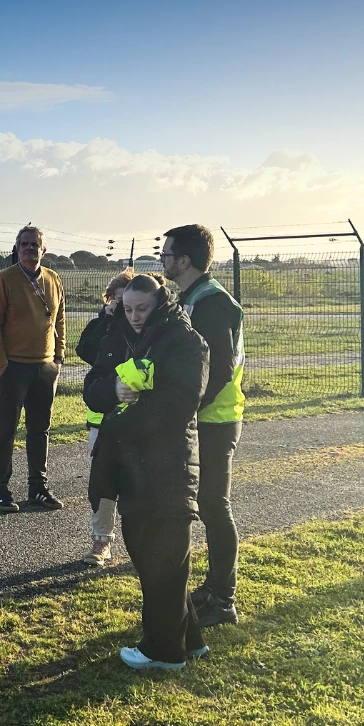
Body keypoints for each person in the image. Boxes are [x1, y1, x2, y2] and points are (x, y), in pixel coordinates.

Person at [84, 273, 210, 669]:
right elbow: (91, 386)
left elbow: (180, 405)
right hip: (127, 463)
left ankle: (163, 651)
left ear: (161, 304)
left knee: (163, 558)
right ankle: (190, 640)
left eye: (143, 309)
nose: (135, 316)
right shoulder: (118, 335)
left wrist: (123, 419)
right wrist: (114, 393)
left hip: (167, 466)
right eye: (128, 308)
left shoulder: (185, 341)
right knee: (151, 554)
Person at [160, 224, 246, 628]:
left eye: (167, 254)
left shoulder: (212, 302)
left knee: (215, 506)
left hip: (215, 420)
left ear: (184, 261)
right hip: (204, 418)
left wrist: (188, 409)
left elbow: (221, 370)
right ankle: (213, 588)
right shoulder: (192, 296)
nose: (162, 260)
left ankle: (224, 600)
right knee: (209, 507)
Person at [0, 225, 67, 513]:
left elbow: (60, 319)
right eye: (24, 244)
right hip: (14, 367)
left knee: (40, 429)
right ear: (16, 248)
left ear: (44, 249)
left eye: (35, 244)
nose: (30, 248)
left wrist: (59, 356)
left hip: (45, 367)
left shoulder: (53, 279)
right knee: (5, 430)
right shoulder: (4, 280)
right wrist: (2, 363)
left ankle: (38, 487)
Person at [75, 268, 134, 566]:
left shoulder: (146, 329)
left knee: (138, 484)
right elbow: (86, 350)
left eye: (129, 302)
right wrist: (107, 317)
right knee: (103, 483)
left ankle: (143, 541)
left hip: (138, 421)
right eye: (117, 300)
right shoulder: (102, 327)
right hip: (102, 419)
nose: (124, 309)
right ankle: (101, 541)